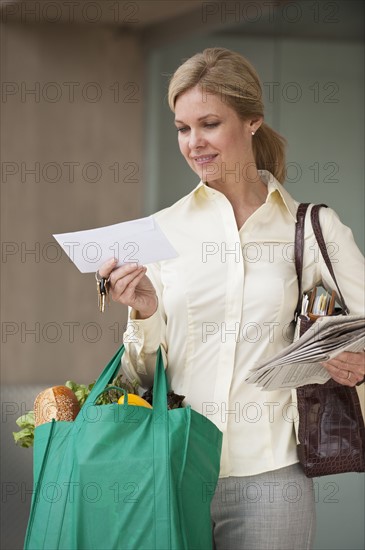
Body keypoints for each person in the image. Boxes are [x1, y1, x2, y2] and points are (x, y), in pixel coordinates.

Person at [99, 48, 365, 550]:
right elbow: (138, 376)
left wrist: (358, 360)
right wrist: (145, 312)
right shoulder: (162, 231)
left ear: (252, 122)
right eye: (182, 128)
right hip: (171, 470)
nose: (193, 143)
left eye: (209, 123)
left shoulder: (310, 228)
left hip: (270, 478)